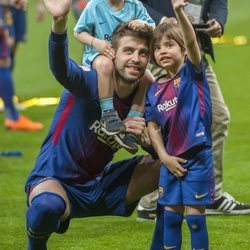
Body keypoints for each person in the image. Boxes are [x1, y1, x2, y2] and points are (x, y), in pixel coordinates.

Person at [24, 0, 160, 249]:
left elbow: (165, 148)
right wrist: (59, 24)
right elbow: (62, 69)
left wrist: (148, 142)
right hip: (57, 182)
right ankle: (35, 244)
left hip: (100, 185)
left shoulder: (146, 99)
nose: (136, 59)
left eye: (143, 53)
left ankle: (163, 243)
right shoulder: (90, 83)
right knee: (45, 208)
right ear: (112, 53)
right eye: (128, 51)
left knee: (176, 163)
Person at [137, 0, 250, 220]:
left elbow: (218, 2)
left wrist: (218, 21)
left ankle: (211, 195)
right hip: (162, 45)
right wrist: (163, 21)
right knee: (162, 126)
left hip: (192, 50)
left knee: (217, 118)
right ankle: (150, 202)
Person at [147, 0, 214, 249]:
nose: (162, 51)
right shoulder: (153, 90)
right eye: (157, 48)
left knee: (195, 221)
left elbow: (193, 42)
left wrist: (178, 12)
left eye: (169, 45)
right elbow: (152, 126)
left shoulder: (192, 73)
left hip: (197, 158)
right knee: (171, 219)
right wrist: (164, 157)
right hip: (170, 161)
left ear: (183, 49)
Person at [73, 0, 155, 153]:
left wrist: (144, 24)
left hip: (126, 56)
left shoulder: (135, 5)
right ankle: (108, 115)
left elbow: (153, 28)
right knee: (106, 65)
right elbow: (78, 32)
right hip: (101, 54)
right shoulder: (95, 5)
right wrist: (95, 42)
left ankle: (132, 124)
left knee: (148, 79)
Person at [0, 0, 44, 131]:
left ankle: (11, 113)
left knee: (7, 54)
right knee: (4, 60)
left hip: (9, 9)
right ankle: (13, 117)